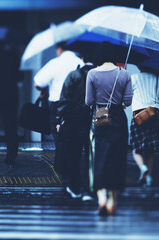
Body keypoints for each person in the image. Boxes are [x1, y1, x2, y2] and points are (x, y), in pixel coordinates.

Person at [85, 42, 132, 216]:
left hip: (100, 116)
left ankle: (102, 198)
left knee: (100, 157)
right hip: (119, 118)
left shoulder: (92, 74)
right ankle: (113, 200)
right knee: (117, 157)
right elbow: (128, 101)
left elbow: (89, 102)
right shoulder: (124, 74)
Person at [34, 41, 84, 187]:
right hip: (77, 106)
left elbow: (38, 82)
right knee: (74, 138)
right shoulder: (80, 62)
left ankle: (63, 170)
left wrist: (45, 88)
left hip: (57, 105)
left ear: (59, 48)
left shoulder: (54, 63)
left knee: (59, 139)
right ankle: (71, 170)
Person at [56, 55, 95, 201]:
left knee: (74, 154)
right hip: (93, 119)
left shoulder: (74, 75)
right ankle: (88, 189)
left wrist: (59, 119)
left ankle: (75, 187)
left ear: (82, 57)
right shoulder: (98, 74)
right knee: (91, 156)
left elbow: (64, 99)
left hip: (74, 120)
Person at [130, 65, 159, 187]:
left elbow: (127, 97)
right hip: (154, 113)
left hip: (139, 115)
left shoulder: (133, 78)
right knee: (151, 148)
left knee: (136, 147)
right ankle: (148, 178)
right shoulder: (157, 78)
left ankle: (142, 168)